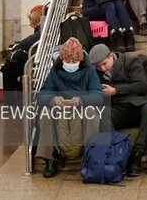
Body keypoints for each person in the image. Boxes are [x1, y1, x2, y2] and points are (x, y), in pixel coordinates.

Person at [35, 37, 103, 178]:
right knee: (46, 114)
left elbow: (98, 96)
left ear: (81, 60)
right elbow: (42, 94)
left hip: (82, 106)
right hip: (60, 107)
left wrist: (81, 100)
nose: (71, 64)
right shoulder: (55, 72)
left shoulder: (89, 71)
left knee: (92, 113)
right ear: (62, 59)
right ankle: (50, 158)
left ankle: (90, 156)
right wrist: (52, 100)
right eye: (68, 61)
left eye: (74, 61)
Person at [89, 44, 147, 176]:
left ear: (111, 56)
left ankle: (137, 154)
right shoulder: (95, 72)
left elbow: (141, 86)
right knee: (104, 114)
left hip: (136, 105)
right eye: (98, 67)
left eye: (104, 64)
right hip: (117, 108)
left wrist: (116, 91)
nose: (102, 68)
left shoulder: (130, 61)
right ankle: (116, 153)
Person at [2, 4, 44, 105]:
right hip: (34, 58)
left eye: (31, 21)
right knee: (12, 68)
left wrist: (18, 47)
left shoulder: (41, 29)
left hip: (34, 61)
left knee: (8, 69)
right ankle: (16, 100)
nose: (30, 23)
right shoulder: (42, 27)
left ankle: (10, 103)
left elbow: (25, 43)